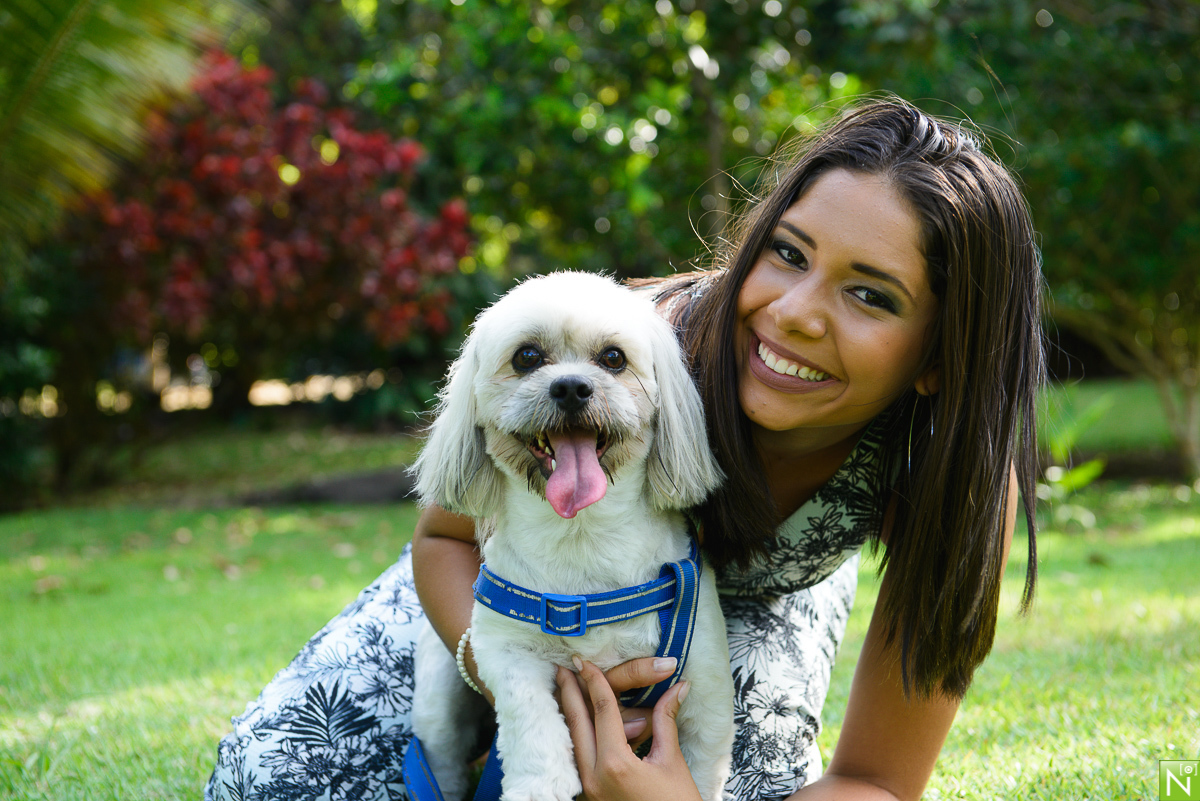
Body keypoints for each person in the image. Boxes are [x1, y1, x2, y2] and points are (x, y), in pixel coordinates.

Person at [205, 97, 1043, 801]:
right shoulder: (628, 347)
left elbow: (878, 781)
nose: (793, 313)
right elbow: (445, 537)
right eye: (787, 253)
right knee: (273, 770)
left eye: (870, 294)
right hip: (518, 582)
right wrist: (514, 682)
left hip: (745, 611)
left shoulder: (944, 474)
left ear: (940, 356)